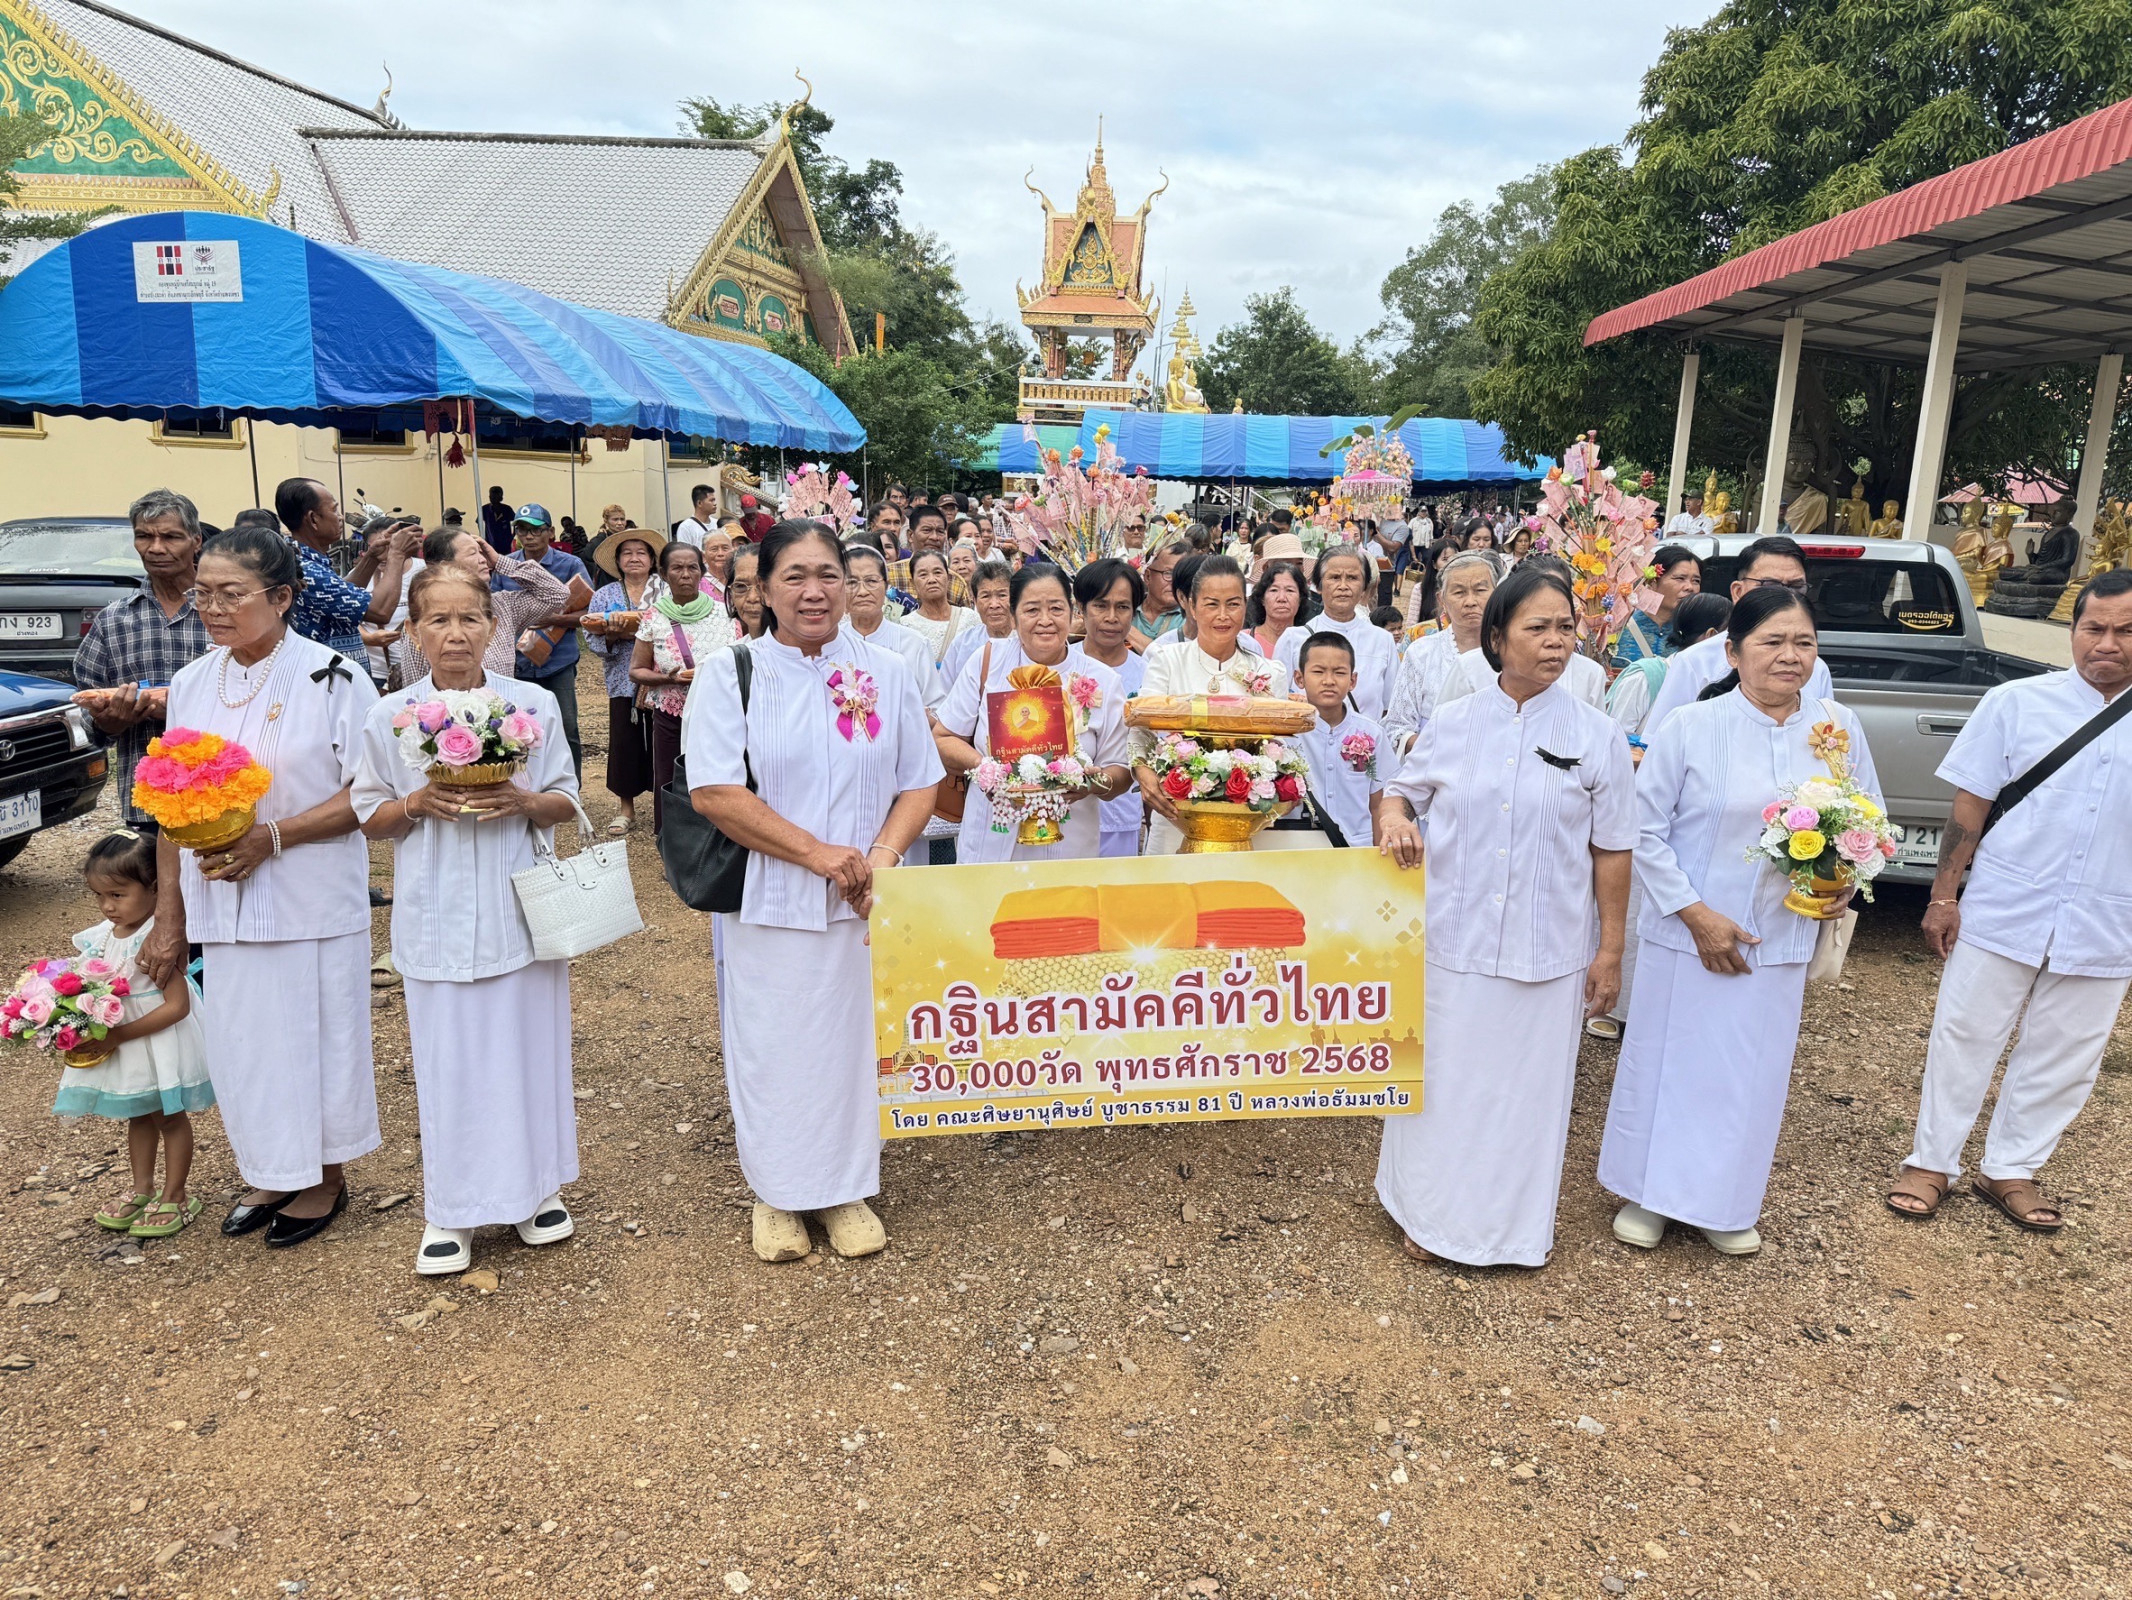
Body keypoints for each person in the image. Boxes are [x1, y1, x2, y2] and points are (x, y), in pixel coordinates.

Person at [1597, 587, 1880, 1255]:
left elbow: (1868, 818)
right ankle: (1648, 1193)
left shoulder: (1837, 728)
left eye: (1804, 644)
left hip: (1780, 935)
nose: (1790, 657)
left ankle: (1726, 1201)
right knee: (1670, 1063)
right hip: (1686, 934)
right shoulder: (1694, 726)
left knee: (1751, 1072)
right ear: (1732, 652)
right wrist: (1696, 915)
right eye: (1772, 642)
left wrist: (1845, 882)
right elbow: (1642, 828)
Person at [686, 521, 942, 1262]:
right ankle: (777, 1194)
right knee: (774, 1045)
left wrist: (882, 860)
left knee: (851, 1045)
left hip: (864, 899)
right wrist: (817, 854)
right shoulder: (730, 671)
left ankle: (844, 1189)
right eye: (793, 575)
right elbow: (714, 792)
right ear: (761, 589)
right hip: (769, 898)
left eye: (828, 573)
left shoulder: (887, 671)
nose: (813, 590)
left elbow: (920, 779)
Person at [1374, 567, 1635, 1266]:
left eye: (1565, 629)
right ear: (1497, 638)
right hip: (1452, 942)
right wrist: (1396, 820)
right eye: (1537, 628)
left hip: (1545, 950)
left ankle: (1506, 1233)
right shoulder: (1455, 723)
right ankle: (1426, 1216)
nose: (1555, 643)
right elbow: (1397, 792)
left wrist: (1609, 951)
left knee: (1523, 1097)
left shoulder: (1597, 736)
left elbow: (1613, 851)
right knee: (1443, 1088)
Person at [142, 524, 381, 1249]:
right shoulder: (191, 681)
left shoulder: (334, 676)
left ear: (281, 597)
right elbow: (167, 805)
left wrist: (273, 836)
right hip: (224, 899)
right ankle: (275, 1167)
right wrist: (167, 918)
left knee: (320, 1037)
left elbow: (369, 793)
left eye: (229, 594)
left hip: (311, 894)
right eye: (200, 592)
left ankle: (325, 1177)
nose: (209, 606)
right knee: (247, 1045)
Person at [354, 562, 584, 1276]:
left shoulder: (531, 707)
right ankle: (450, 1211)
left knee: (529, 1052)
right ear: (414, 632)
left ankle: (535, 1190)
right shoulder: (388, 715)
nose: (455, 634)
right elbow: (371, 814)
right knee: (446, 1063)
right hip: (434, 914)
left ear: (492, 626)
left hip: (520, 913)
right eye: (439, 621)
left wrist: (521, 799)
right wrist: (415, 804)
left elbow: (567, 799)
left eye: (469, 619)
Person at [1886, 569, 2132, 1230]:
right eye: (2094, 627)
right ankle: (1932, 1160)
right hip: (2005, 905)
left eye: (2125, 630)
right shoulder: (2017, 704)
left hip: (2110, 918)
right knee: (1965, 1033)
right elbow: (1971, 804)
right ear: (2073, 631)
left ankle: (2010, 1168)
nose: (2106, 643)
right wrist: (1944, 895)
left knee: (2066, 1052)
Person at [52, 830, 213, 1238]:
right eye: (99, 896)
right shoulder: (102, 937)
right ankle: (143, 1189)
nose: (107, 906)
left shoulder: (157, 939)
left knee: (169, 1116)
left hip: (155, 1040)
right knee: (138, 1114)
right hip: (125, 1042)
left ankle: (176, 1195)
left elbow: (178, 1006)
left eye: (118, 895)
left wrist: (119, 1035)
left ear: (156, 889)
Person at [935, 564, 1131, 864]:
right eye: (1031, 610)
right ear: (1013, 617)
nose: (1045, 621)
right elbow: (944, 737)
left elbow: (1121, 771)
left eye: (1055, 608)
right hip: (990, 843)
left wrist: (1090, 783)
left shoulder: (1101, 680)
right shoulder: (988, 662)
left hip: (1069, 849)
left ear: (1072, 612)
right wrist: (987, 769)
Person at [72, 489, 213, 828]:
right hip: (149, 797)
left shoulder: (224, 609)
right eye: (144, 536)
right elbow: (86, 715)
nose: (156, 548)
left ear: (196, 541)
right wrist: (111, 721)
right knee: (153, 879)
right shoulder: (113, 620)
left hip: (222, 784)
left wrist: (184, 707)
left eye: (170, 536)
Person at [1133, 555, 1291, 854]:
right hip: (1176, 813)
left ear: (1245, 607)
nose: (1223, 615)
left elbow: (1280, 745)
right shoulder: (1167, 661)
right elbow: (1142, 727)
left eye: (1233, 604)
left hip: (1245, 822)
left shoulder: (1268, 672)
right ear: (1191, 607)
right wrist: (1142, 771)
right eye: (1211, 604)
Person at [1641, 536, 1830, 736]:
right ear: (1738, 591)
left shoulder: (1816, 669)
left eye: (1795, 587)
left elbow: (1829, 743)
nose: (1784, 597)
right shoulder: (1695, 662)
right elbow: (1659, 742)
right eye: (1769, 585)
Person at [631, 541, 737, 834]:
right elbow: (636, 670)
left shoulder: (725, 614)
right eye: (677, 568)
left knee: (714, 780)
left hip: (716, 716)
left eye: (692, 567)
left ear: (702, 572)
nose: (686, 574)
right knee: (668, 780)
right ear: (663, 574)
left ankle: (714, 844)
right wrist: (670, 679)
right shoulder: (654, 616)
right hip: (670, 716)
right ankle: (671, 845)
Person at [583, 526, 667, 835]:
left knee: (665, 741)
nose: (634, 558)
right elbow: (591, 638)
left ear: (652, 559)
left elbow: (679, 629)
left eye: (641, 552)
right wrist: (612, 634)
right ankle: (626, 809)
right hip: (622, 677)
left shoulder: (666, 591)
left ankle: (666, 809)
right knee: (624, 741)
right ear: (618, 561)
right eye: (627, 553)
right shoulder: (605, 595)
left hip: (661, 678)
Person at [274, 477, 412, 662]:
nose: (340, 517)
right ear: (313, 519)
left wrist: (372, 556)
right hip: (328, 683)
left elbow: (340, 593)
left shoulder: (304, 560)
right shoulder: (307, 571)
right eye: (334, 509)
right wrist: (397, 554)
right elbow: (380, 610)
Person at [405, 525, 569, 680]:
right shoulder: (425, 617)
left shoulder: (503, 606)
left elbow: (557, 594)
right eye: (472, 553)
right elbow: (415, 690)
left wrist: (500, 561)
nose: (483, 559)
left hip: (501, 708)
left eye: (482, 552)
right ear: (446, 565)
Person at [498, 505, 592, 775]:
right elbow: (493, 610)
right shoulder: (507, 565)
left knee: (566, 726)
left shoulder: (569, 564)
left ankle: (570, 789)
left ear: (550, 532)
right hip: (517, 663)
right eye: (522, 530)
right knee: (517, 728)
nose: (529, 536)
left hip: (558, 662)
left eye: (537, 529)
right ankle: (524, 783)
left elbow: (590, 611)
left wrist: (555, 620)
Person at [1276, 633, 1384, 850]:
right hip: (1299, 849)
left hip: (1357, 850)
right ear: (1299, 678)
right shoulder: (1284, 735)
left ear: (1352, 681)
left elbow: (1379, 802)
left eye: (1339, 672)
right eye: (1318, 671)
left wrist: (1380, 855)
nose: (1329, 681)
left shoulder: (1372, 734)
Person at [1385, 551, 1498, 756]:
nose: (1470, 601)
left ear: (1497, 594)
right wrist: (1439, 750)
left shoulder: (1514, 653)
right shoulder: (1422, 653)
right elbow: (1396, 727)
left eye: (1480, 590)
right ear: (1442, 600)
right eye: (1459, 592)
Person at [1074, 558, 1149, 857]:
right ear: (1081, 608)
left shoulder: (1149, 674)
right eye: (1100, 606)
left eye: (1122, 607)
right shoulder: (1060, 666)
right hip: (1066, 813)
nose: (1111, 617)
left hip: (1121, 815)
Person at [1278, 546, 1397, 720]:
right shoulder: (1293, 639)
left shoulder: (1382, 641)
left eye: (1352, 578)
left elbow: (1390, 707)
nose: (1343, 586)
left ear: (1364, 587)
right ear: (1318, 586)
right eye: (1334, 577)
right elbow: (1277, 704)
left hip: (1365, 744)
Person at [1607, 593, 1731, 742]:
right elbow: (1616, 740)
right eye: (1729, 636)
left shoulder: (1724, 684)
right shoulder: (1646, 677)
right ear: (1711, 635)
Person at [844, 545, 945, 710]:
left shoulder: (914, 644)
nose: (862, 591)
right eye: (852, 582)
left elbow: (936, 708)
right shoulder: (829, 644)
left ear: (886, 586)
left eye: (871, 581)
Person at [1612, 546, 1703, 668]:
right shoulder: (1619, 627)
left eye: (1696, 581)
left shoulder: (1700, 634)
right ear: (1652, 582)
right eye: (1680, 578)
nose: (1690, 587)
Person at [943, 560, 1015, 686]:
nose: (994, 605)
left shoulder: (1029, 641)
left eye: (1002, 595)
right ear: (975, 601)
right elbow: (945, 693)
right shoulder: (962, 645)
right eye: (985, 596)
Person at [901, 549, 977, 666]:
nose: (932, 580)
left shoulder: (970, 618)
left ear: (948, 578)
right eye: (923, 575)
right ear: (912, 583)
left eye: (937, 573)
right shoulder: (905, 626)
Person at [1246, 562, 1307, 661]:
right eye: (1274, 590)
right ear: (1262, 598)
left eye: (1290, 590)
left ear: (1300, 599)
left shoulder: (1310, 644)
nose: (1281, 598)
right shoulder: (1243, 641)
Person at [1130, 542, 1184, 651]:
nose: (1175, 582)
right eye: (1168, 573)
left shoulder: (1191, 618)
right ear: (1148, 576)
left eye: (1181, 575)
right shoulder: (1128, 608)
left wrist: (1126, 630)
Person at [727, 545, 766, 640]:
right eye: (740, 586)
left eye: (762, 587)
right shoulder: (729, 654)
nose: (752, 598)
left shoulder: (806, 652)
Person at [700, 524, 737, 610]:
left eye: (725, 548)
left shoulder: (738, 578)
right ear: (704, 556)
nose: (720, 554)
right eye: (714, 549)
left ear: (733, 552)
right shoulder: (698, 584)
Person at [674, 484, 717, 550]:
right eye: (711, 500)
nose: (715, 503)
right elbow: (684, 552)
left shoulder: (717, 523)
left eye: (714, 500)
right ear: (699, 503)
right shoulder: (686, 527)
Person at [480, 486, 515, 554]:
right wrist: (482, 536)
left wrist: (512, 536)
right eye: (492, 495)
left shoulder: (507, 509)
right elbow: (479, 523)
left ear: (501, 497)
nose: (494, 498)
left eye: (496, 495)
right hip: (490, 542)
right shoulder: (485, 509)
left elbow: (516, 522)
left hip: (505, 544)